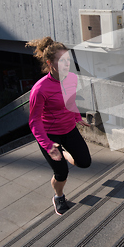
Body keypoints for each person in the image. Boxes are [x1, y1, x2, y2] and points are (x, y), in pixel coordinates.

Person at [26, 37, 91, 215]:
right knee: (61, 172)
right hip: (49, 135)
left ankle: (64, 152)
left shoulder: (72, 79)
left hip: (69, 128)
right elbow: (34, 121)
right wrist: (48, 146)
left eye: (68, 60)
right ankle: (59, 196)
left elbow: (71, 102)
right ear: (49, 63)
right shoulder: (40, 89)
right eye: (61, 61)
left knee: (85, 162)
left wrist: (78, 117)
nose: (66, 64)